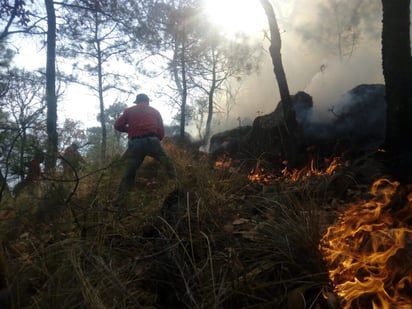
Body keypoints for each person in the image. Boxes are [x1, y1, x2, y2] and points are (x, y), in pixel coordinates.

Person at [114, 93, 176, 193]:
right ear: (147, 102)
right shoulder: (155, 112)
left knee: (130, 171)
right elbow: (161, 132)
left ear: (137, 102)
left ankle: (121, 199)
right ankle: (176, 184)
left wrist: (130, 130)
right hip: (152, 141)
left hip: (135, 143)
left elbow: (117, 125)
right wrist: (155, 140)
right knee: (167, 163)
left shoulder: (129, 111)